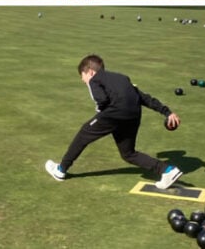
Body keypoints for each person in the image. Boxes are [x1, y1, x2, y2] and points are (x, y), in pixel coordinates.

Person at [43, 54, 182, 189]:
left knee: (83, 134)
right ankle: (168, 170)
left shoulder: (94, 79)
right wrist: (167, 112)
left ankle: (60, 170)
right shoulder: (123, 78)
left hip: (116, 112)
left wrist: (101, 114)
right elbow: (144, 97)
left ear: (90, 72)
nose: (83, 80)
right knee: (128, 154)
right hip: (134, 115)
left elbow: (102, 100)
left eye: (82, 76)